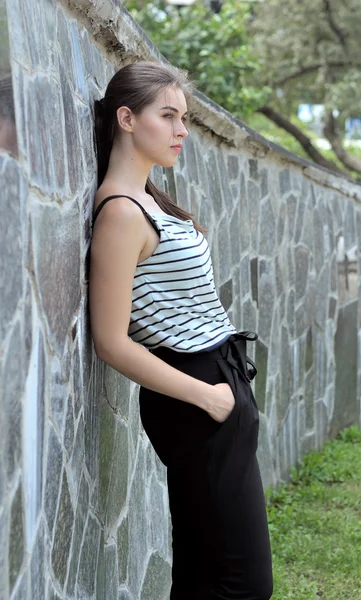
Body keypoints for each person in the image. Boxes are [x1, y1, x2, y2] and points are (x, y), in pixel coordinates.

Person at [89, 60, 273, 600]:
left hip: (218, 382)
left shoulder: (148, 201)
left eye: (184, 118)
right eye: (167, 116)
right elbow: (110, 339)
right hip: (196, 395)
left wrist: (226, 395)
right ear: (126, 118)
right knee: (242, 583)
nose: (180, 131)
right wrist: (211, 399)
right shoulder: (121, 212)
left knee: (204, 572)